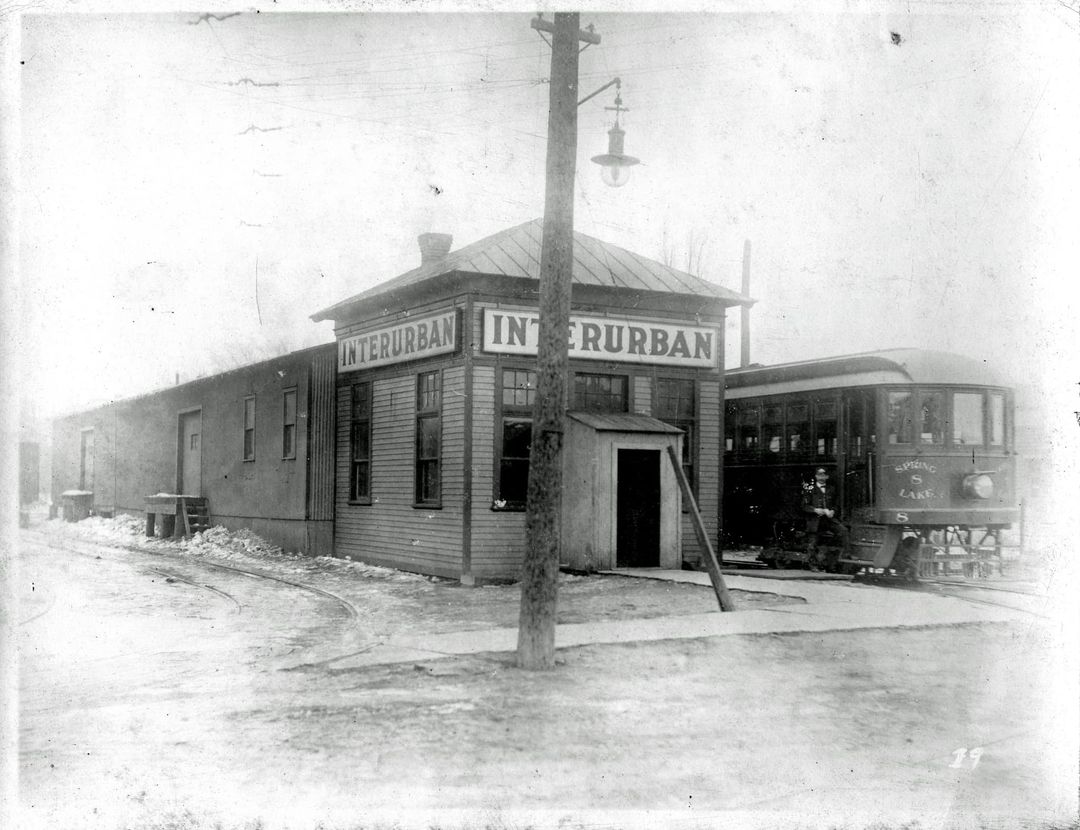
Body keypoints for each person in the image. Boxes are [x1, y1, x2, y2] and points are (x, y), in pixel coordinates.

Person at [801, 467, 848, 571]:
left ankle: (843, 556)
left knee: (843, 531)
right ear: (816, 476)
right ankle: (812, 564)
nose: (821, 477)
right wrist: (815, 510)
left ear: (827, 477)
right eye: (819, 475)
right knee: (812, 543)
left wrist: (832, 511)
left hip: (828, 520)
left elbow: (836, 505)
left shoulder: (831, 489)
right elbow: (804, 506)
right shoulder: (810, 490)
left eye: (823, 475)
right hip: (815, 521)